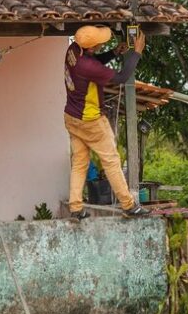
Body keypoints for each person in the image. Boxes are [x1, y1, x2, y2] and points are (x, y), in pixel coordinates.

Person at [64, 25, 151, 219]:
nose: (103, 42)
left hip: (71, 116)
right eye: (100, 42)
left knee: (79, 162)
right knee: (111, 160)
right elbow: (120, 77)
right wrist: (136, 53)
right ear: (92, 47)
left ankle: (76, 207)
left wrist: (112, 53)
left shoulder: (73, 50)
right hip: (90, 120)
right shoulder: (87, 66)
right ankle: (129, 205)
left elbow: (93, 62)